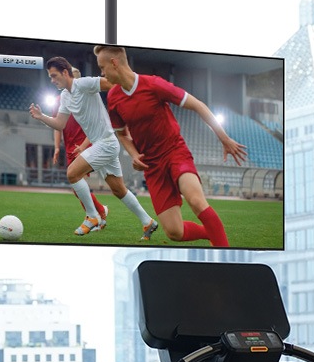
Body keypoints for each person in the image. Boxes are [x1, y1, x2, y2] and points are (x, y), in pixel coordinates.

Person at [94, 44, 248, 247]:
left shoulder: (153, 85)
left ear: (114, 63)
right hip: (153, 166)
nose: (102, 73)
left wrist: (224, 138)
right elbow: (122, 134)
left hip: (175, 152)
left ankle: (226, 256)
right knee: (174, 232)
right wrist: (133, 154)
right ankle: (213, 233)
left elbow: (198, 105)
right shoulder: (113, 97)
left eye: (102, 67)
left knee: (196, 201)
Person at [29, 56, 160, 240]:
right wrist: (41, 116)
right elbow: (60, 124)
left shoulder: (85, 84)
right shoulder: (65, 97)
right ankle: (148, 222)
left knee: (72, 173)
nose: (52, 80)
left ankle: (92, 216)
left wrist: (130, 99)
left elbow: (113, 83)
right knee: (119, 190)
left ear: (65, 73)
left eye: (54, 75)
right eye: (50, 77)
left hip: (106, 143)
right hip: (101, 144)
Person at [52, 68, 109, 229]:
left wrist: (85, 145)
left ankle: (97, 215)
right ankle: (99, 212)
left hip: (83, 146)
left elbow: (93, 123)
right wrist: (57, 147)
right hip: (70, 147)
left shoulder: (85, 98)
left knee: (78, 184)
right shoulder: (60, 100)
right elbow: (57, 126)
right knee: (77, 188)